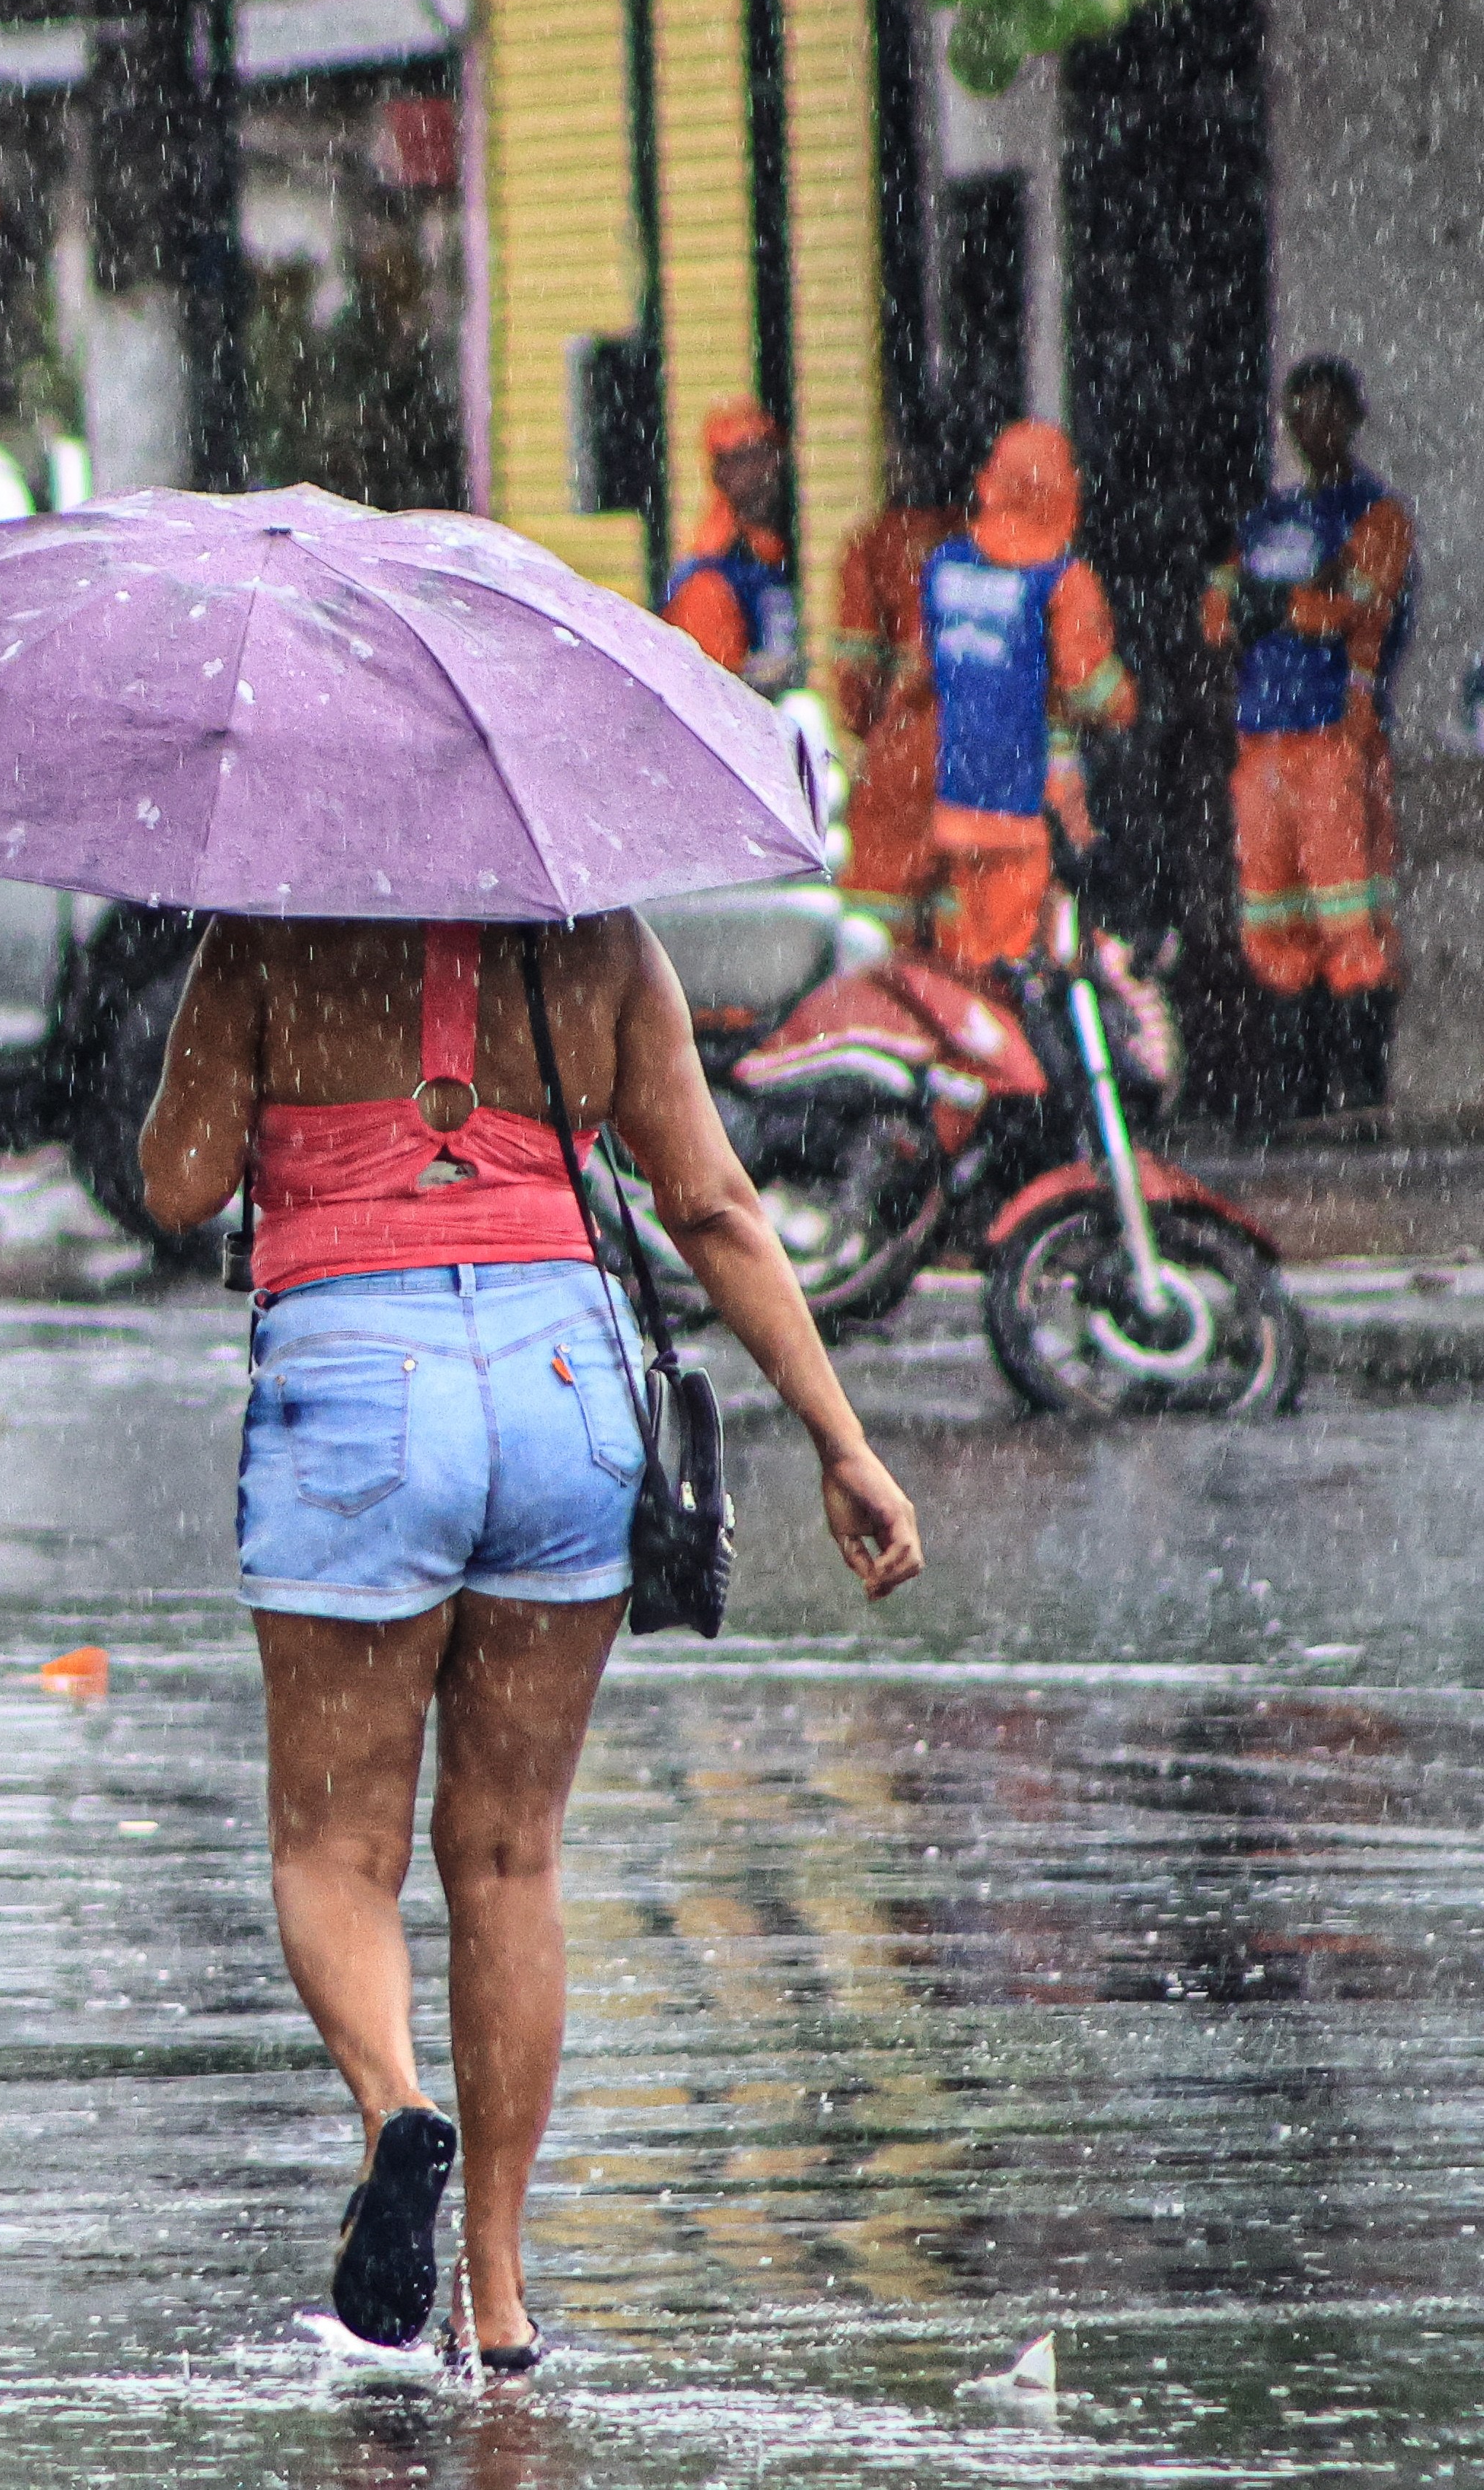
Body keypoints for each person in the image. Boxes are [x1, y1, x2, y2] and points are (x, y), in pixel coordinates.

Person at [136, 914, 923, 2371]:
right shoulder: (597, 942)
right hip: (565, 1384)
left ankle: (393, 2113)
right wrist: (840, 1441)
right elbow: (711, 1206)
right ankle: (493, 2292)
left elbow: (177, 1185)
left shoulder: (264, 938)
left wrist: (274, 1090)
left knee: (333, 1847)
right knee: (508, 1853)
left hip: (360, 1379)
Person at [1204, 356, 1411, 1118]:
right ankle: (1296, 1098)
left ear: (1352, 416)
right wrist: (1303, 597)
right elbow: (1219, 616)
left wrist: (1283, 605)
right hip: (1262, 742)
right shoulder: (1268, 518)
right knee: (1272, 923)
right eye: (1298, 412)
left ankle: (1357, 1099)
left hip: (1334, 737)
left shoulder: (1375, 513)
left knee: (1350, 922)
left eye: (1326, 410)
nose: (1311, 427)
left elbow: (1358, 610)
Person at [903, 422, 1129, 972]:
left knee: (967, 963)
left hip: (956, 803)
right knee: (1026, 968)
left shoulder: (944, 568)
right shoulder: (1061, 579)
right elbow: (1094, 692)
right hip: (1032, 809)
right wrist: (1127, 701)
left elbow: (922, 672)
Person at [828, 425, 968, 948]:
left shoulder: (874, 545)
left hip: (906, 747)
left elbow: (855, 679)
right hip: (984, 749)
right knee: (965, 925)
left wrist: (879, 733)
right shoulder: (983, 544)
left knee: (880, 930)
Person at [660, 399, 804, 693]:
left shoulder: (774, 554)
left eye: (771, 452)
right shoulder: (710, 577)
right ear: (720, 472)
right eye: (749, 457)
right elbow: (711, 695)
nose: (769, 469)